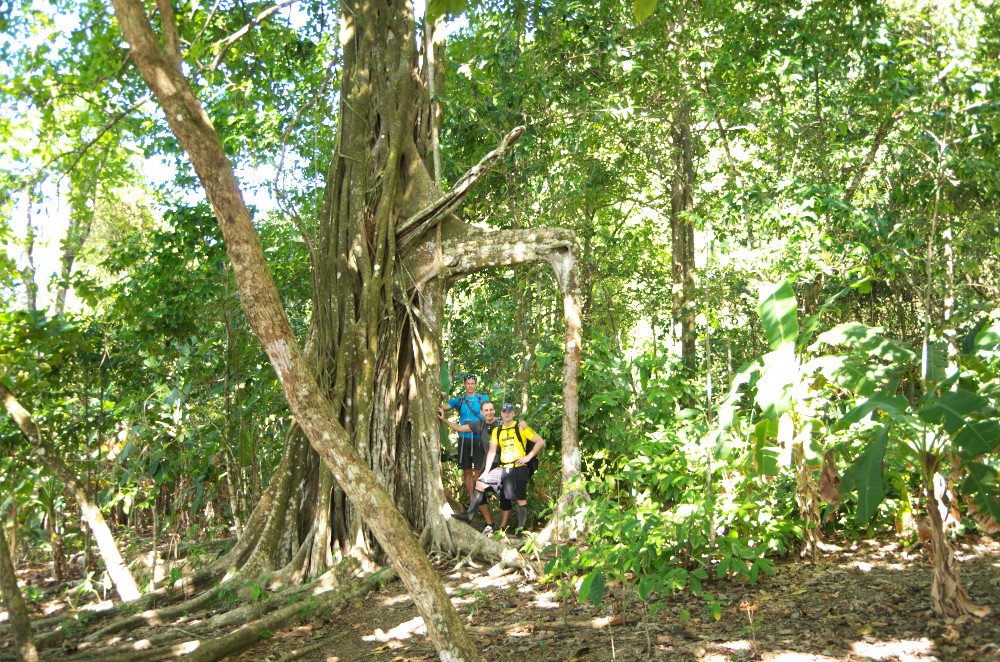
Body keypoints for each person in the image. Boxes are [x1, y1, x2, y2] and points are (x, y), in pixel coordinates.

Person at [452, 403, 544, 534]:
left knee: (520, 500)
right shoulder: (497, 430)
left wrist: (528, 457)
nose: (507, 414)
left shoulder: (521, 427)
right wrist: (486, 473)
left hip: (518, 468)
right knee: (480, 483)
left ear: (513, 413)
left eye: (509, 412)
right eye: (504, 412)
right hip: (502, 469)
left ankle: (519, 530)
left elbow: (540, 441)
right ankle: (469, 516)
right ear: (501, 413)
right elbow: (491, 452)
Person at [438, 401, 502, 532]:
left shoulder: (501, 423)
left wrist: (522, 423)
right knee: (480, 490)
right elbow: (461, 428)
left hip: (504, 464)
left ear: (494, 411)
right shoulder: (480, 424)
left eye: (491, 410)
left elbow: (516, 426)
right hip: (490, 465)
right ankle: (489, 523)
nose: (489, 412)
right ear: (482, 413)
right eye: (486, 410)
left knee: (485, 487)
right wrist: (444, 420)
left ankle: (472, 516)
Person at [441, 374, 490, 504]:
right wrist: (439, 397)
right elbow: (443, 407)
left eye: (472, 383)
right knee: (467, 471)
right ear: (464, 385)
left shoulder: (483, 399)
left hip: (479, 438)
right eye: (467, 383)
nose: (470, 386)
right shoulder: (460, 400)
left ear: (476, 385)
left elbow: (490, 414)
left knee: (479, 470)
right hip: (464, 439)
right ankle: (471, 498)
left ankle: (480, 500)